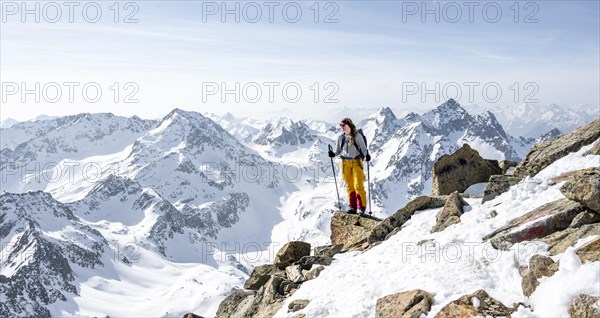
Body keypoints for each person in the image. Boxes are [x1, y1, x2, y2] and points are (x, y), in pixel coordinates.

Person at [328, 118, 371, 214]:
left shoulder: (357, 136)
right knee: (349, 185)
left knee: (358, 185)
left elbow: (364, 149)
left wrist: (367, 155)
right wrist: (333, 154)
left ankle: (361, 207)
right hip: (344, 163)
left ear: (349, 125)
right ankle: (352, 207)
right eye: (341, 125)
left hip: (356, 162)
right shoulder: (340, 138)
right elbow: (338, 151)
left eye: (343, 125)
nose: (342, 127)